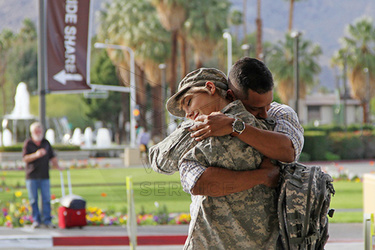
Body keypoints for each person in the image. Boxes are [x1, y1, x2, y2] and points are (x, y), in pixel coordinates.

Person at [23, 122, 61, 229]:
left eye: (39, 130)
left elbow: (52, 156)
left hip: (44, 175)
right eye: (36, 130)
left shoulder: (46, 143)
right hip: (32, 176)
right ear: (32, 132)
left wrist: (57, 166)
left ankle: (47, 220)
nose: (38, 132)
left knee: (46, 199)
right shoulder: (28, 143)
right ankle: (36, 220)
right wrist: (36, 155)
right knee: (33, 199)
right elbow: (25, 158)